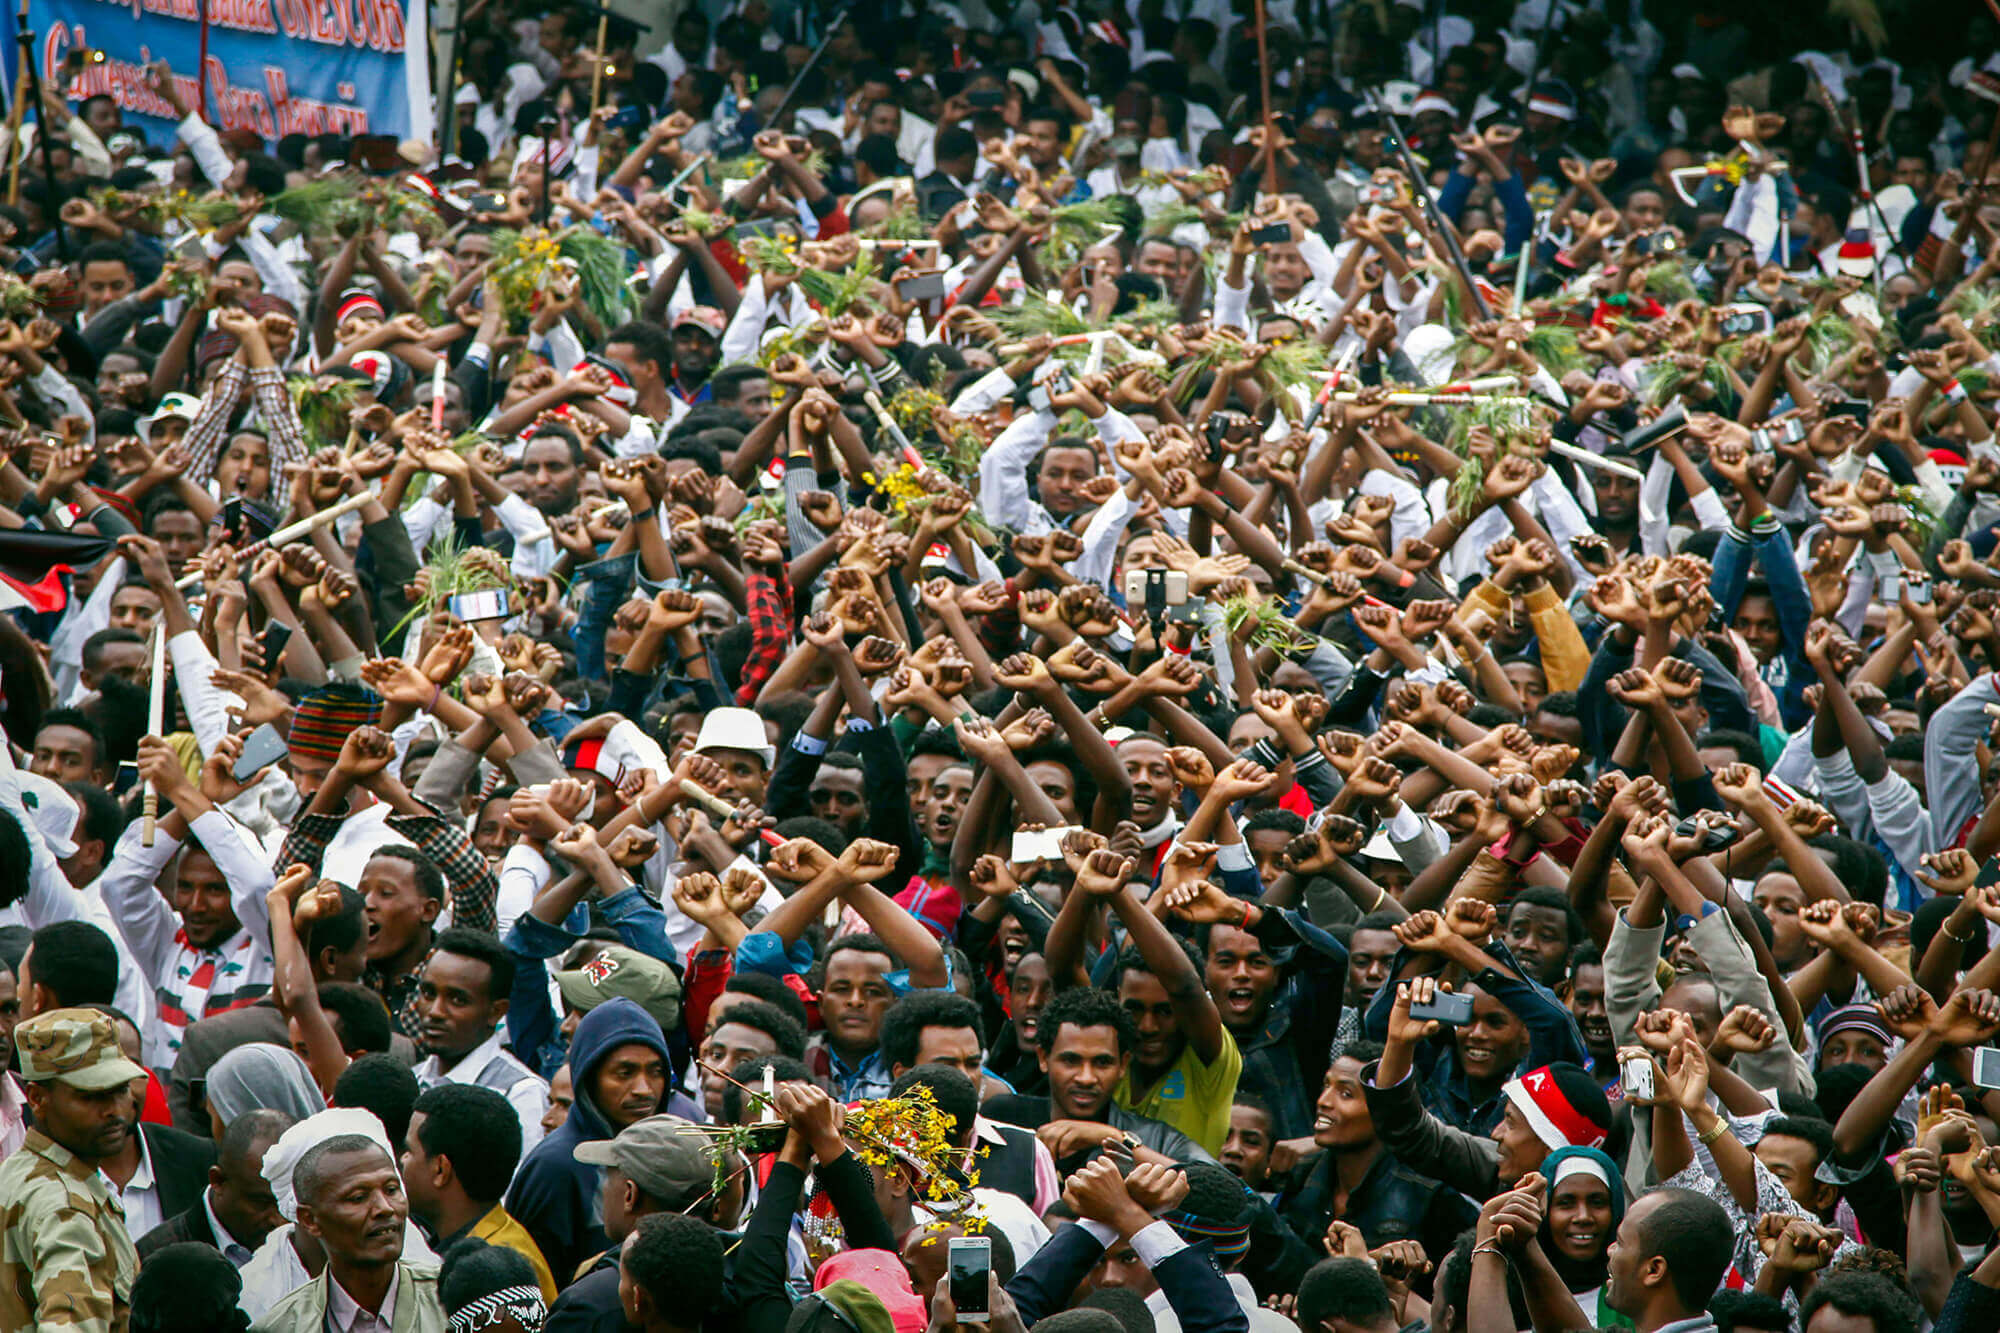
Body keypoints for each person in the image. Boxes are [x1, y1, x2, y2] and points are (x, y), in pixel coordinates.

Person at [505, 997, 670, 1287]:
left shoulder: (668, 1151)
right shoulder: (555, 1167)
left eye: (656, 1072)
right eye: (625, 1073)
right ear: (588, 1078)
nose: (644, 1090)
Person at [0, 1008, 147, 1331]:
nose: (114, 1111)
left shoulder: (17, 1172)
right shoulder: (65, 1207)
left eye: (120, 1090)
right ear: (37, 1099)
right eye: (91, 1096)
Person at [247, 1133, 446, 1333]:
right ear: (309, 1219)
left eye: (391, 1190)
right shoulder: (281, 1326)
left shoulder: (453, 1301)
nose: (385, 1208)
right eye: (358, 1197)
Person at [400, 1083, 555, 1301]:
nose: (402, 1160)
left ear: (441, 1169)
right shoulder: (476, 1241)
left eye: (409, 1151)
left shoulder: (495, 1274)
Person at [411, 928, 550, 1154]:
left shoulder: (519, 1093)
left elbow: (518, 1186)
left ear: (496, 1012)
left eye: (457, 1000)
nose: (435, 1011)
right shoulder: (413, 1080)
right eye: (428, 993)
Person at [139, 1107, 292, 1267]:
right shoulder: (157, 1260)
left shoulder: (312, 1241)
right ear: (217, 1181)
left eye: (289, 1201)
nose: (280, 1221)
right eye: (261, 1203)